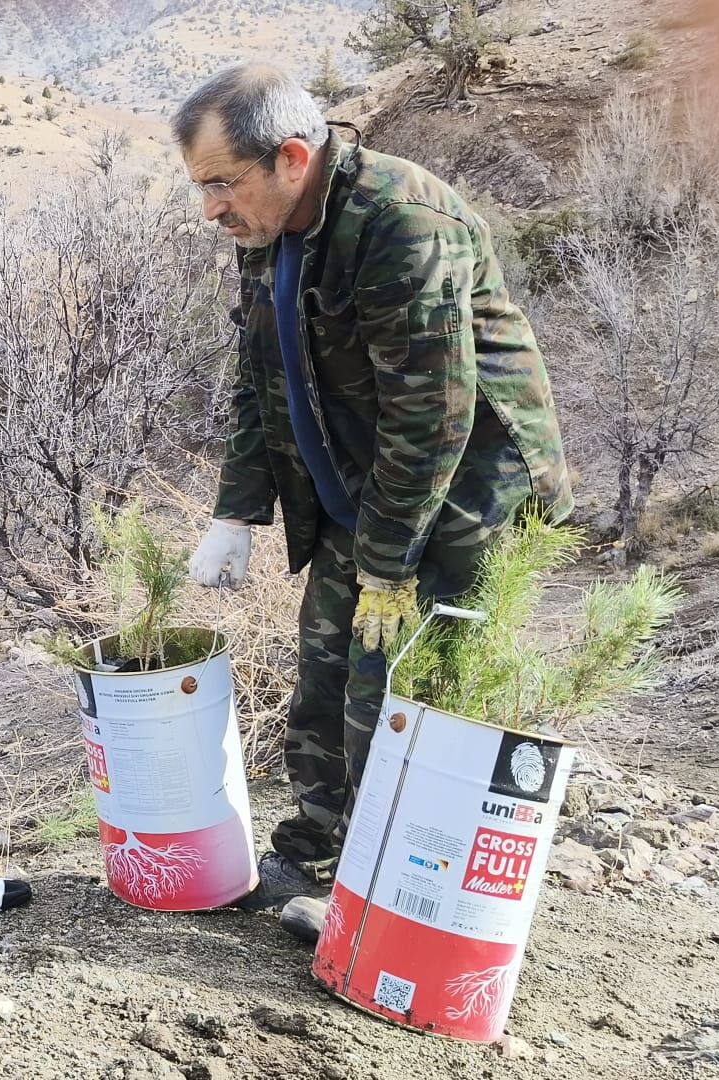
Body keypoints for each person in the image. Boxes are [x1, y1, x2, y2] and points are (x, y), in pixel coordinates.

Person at [170, 63, 572, 910]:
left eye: (220, 183)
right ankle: (312, 856)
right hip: (368, 484)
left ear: (290, 158)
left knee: (397, 691)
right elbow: (260, 374)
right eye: (202, 187)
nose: (210, 209)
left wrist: (386, 566)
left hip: (464, 499)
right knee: (325, 671)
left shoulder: (400, 222)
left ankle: (387, 892)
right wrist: (236, 510)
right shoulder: (268, 229)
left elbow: (433, 418)